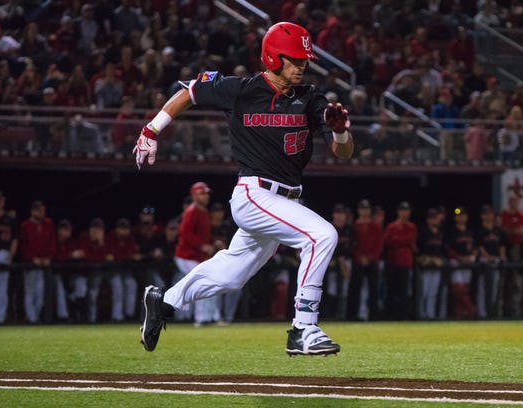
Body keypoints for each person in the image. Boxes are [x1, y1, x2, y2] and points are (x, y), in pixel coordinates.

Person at [134, 22, 353, 355]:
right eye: (294, 59)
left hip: (284, 201)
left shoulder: (310, 98)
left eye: (304, 58)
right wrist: (151, 130)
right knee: (322, 235)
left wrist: (339, 132)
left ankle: (163, 302)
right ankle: (303, 328)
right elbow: (189, 92)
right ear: (272, 57)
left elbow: (343, 153)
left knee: (230, 277)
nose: (301, 65)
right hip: (254, 194)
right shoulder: (241, 89)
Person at [173, 182, 216, 326]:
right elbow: (184, 233)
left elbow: (205, 235)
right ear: (194, 195)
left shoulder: (204, 212)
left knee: (207, 283)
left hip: (197, 256)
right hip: (185, 255)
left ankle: (209, 317)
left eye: (206, 193)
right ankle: (201, 318)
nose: (205, 196)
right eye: (201, 193)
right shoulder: (192, 211)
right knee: (201, 283)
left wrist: (211, 245)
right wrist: (203, 246)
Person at [19, 200, 56, 324]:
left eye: (43, 210)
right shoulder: (25, 225)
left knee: (40, 295)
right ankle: (31, 319)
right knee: (30, 292)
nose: (42, 212)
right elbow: (23, 245)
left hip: (43, 264)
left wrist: (48, 258)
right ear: (33, 211)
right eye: (39, 210)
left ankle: (36, 318)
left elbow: (52, 243)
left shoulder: (48, 224)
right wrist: (31, 258)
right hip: (30, 264)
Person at [348, 199, 383, 321]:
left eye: (367, 209)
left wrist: (371, 257)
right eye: (362, 209)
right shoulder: (354, 226)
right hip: (358, 261)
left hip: (372, 261)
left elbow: (379, 244)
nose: (364, 211)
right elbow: (352, 245)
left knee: (374, 289)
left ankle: (374, 316)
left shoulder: (376, 226)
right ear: (358, 210)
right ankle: (353, 315)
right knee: (355, 289)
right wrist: (359, 258)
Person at [383, 201, 417, 320]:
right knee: (391, 291)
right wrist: (401, 242)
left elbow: (410, 240)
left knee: (404, 291)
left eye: (406, 210)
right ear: (398, 212)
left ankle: (404, 316)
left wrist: (397, 241)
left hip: (405, 262)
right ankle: (390, 316)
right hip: (392, 262)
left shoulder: (412, 227)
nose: (404, 212)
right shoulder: (392, 226)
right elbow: (387, 242)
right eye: (402, 210)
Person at [0, 190, 17, 324]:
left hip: (3, 254)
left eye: (0, 200)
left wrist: (10, 256)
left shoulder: (9, 219)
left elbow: (14, 240)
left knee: (2, 292)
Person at [445, 207, 477, 319]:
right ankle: (471, 309)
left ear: (467, 217)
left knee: (466, 288)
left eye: (463, 215)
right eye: (458, 215)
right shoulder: (452, 232)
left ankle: (461, 314)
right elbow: (448, 249)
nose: (461, 217)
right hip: (456, 262)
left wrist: (472, 256)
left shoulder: (470, 232)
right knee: (458, 289)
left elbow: (475, 247)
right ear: (455, 218)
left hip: (468, 262)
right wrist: (460, 258)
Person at [475, 205, 506, 319]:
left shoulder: (498, 230)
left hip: (496, 260)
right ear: (482, 216)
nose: (488, 216)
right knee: (482, 287)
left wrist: (502, 256)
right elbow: (479, 247)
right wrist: (488, 257)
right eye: (485, 213)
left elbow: (502, 245)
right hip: (484, 261)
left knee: (495, 288)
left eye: (490, 213)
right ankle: (482, 313)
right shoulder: (480, 230)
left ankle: (492, 312)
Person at [416, 208, 445, 320]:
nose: (434, 220)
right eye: (431, 218)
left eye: (435, 218)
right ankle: (421, 314)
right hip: (425, 266)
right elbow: (418, 250)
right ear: (428, 219)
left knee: (433, 292)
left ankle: (430, 314)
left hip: (436, 266)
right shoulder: (423, 232)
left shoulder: (440, 233)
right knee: (424, 291)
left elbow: (443, 250)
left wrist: (439, 259)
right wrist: (426, 258)